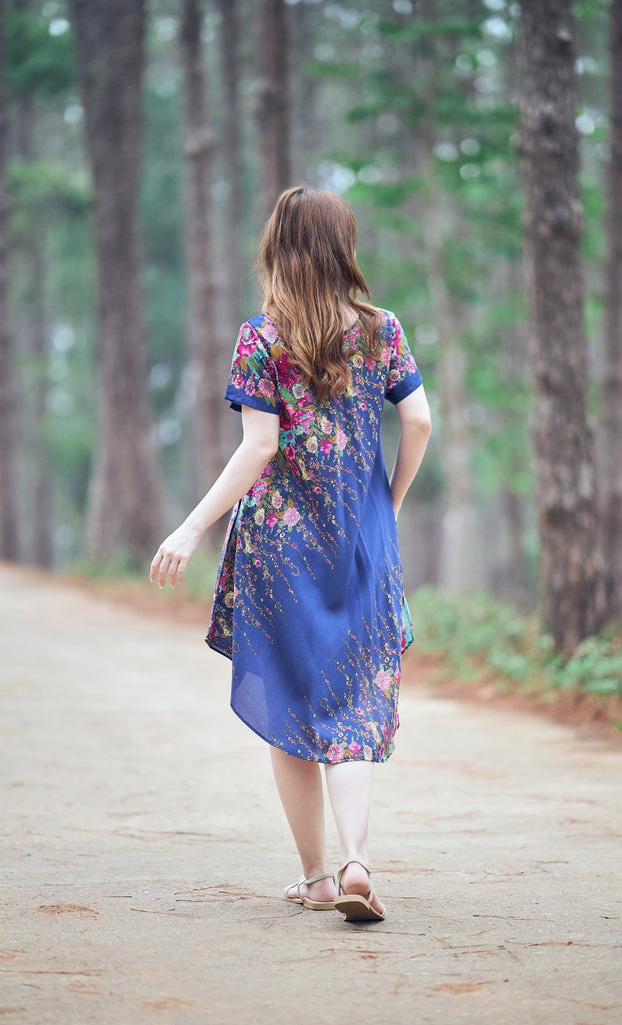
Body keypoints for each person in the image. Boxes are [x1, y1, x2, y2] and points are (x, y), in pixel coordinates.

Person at [150, 186, 431, 922]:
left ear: (279, 245)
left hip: (281, 546)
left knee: (292, 704)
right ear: (344, 247)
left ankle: (315, 879)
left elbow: (260, 447)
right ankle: (358, 860)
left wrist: (191, 528)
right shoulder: (382, 329)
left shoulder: (262, 337)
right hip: (361, 543)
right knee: (354, 701)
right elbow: (420, 420)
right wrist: (386, 507)